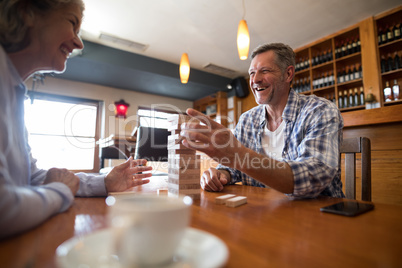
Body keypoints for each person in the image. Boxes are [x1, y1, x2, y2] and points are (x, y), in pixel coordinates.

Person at [0, 0, 152, 239]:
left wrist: (105, 183)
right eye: (72, 23)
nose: (78, 42)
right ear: (26, 11)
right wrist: (59, 191)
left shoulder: (14, 91)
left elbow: (31, 178)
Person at [181, 43, 345, 199]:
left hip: (319, 216)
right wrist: (221, 174)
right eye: (252, 73)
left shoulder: (319, 110)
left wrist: (238, 154)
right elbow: (233, 168)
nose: (255, 79)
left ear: (288, 74)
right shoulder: (247, 119)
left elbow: (312, 178)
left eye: (264, 71)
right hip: (262, 212)